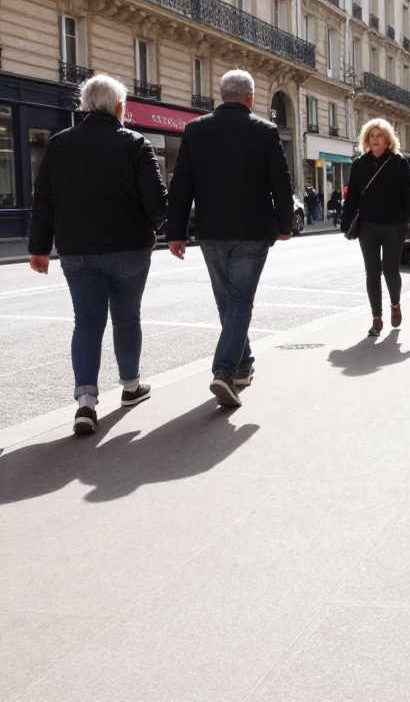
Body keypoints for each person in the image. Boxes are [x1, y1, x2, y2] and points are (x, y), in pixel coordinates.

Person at [27, 74, 167, 435]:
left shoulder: (59, 145)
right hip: (129, 247)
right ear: (120, 107)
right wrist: (155, 226)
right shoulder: (135, 143)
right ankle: (131, 386)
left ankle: (86, 402)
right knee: (126, 318)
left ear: (84, 106)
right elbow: (156, 201)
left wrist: (39, 247)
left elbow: (44, 199)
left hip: (78, 249)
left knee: (87, 323)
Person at [167, 69, 293, 408]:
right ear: (250, 98)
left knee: (228, 302)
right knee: (239, 303)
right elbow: (280, 183)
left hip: (211, 231)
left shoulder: (195, 130)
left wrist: (175, 232)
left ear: (222, 95)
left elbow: (181, 185)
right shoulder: (265, 131)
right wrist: (285, 224)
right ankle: (224, 371)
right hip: (252, 231)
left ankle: (243, 365)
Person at [341, 118, 410, 335]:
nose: (375, 140)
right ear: (367, 140)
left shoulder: (398, 163)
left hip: (394, 226)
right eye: (371, 136)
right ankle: (376, 319)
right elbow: (352, 198)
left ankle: (395, 305)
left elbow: (408, 196)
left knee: (390, 271)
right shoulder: (359, 164)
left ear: (387, 140)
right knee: (372, 272)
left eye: (379, 136)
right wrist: (345, 222)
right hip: (367, 226)